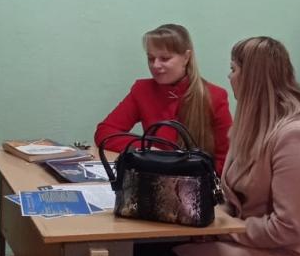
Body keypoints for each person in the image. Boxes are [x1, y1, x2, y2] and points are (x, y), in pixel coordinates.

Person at [134, 37, 300, 256]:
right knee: (147, 246)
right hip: (256, 239)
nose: (229, 76)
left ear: (252, 78)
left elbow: (288, 228)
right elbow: (231, 198)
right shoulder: (251, 126)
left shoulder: (296, 136)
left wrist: (224, 230)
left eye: (234, 69)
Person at [95, 24, 231, 175]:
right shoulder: (142, 90)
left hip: (195, 181)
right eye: (150, 58)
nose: (155, 65)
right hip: (153, 177)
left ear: (186, 57)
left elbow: (226, 159)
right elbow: (104, 133)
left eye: (165, 58)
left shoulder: (214, 96)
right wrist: (147, 148)